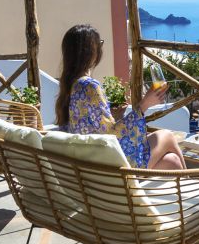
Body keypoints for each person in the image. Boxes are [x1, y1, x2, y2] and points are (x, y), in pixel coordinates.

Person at [55, 23, 186, 170]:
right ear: (90, 51)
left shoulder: (70, 86)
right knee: (167, 136)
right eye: (99, 44)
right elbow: (111, 134)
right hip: (113, 166)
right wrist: (144, 105)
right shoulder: (90, 86)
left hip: (94, 165)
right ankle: (195, 184)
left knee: (172, 161)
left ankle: (187, 183)